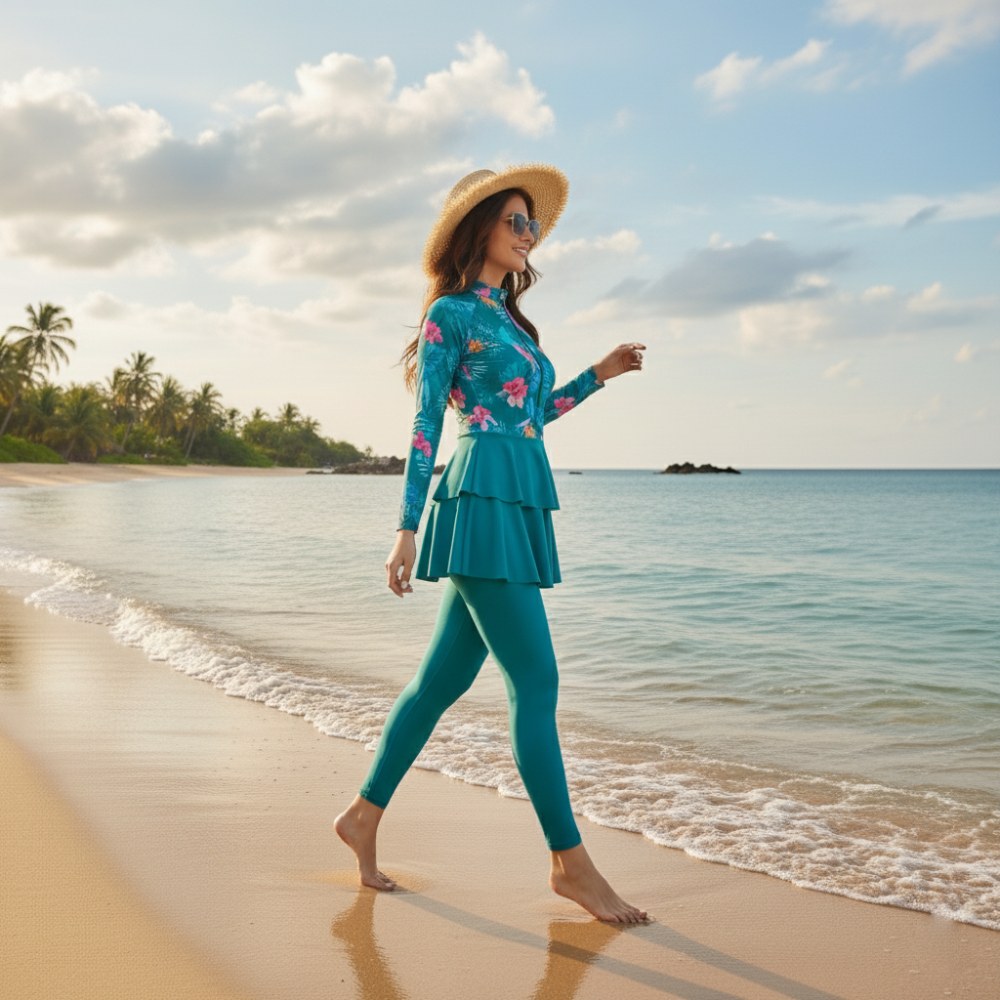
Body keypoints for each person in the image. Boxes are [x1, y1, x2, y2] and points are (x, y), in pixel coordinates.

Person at [335, 164, 648, 923]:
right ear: (477, 229)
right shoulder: (450, 315)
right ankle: (571, 865)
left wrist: (598, 374)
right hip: (478, 498)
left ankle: (362, 817)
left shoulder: (511, 322)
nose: (527, 233)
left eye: (531, 223)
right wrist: (406, 528)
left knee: (437, 685)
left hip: (516, 493)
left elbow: (530, 414)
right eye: (515, 220)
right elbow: (426, 425)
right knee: (536, 683)